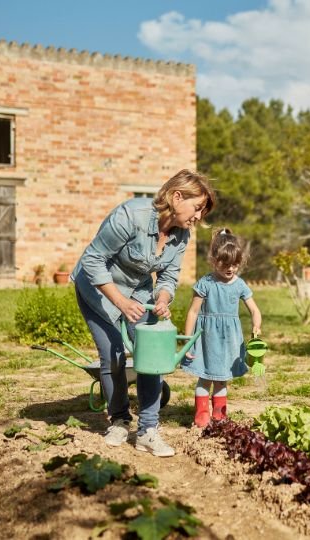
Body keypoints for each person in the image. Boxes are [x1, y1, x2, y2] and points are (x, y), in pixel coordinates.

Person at [71, 169, 215, 457]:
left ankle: (148, 430)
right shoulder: (131, 215)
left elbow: (169, 276)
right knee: (112, 353)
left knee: (152, 352)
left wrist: (162, 298)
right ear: (177, 197)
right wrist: (120, 302)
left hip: (137, 290)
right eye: (197, 207)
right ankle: (119, 420)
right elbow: (93, 260)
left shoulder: (181, 235)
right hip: (98, 287)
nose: (199, 217)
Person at [182, 228, 262, 428]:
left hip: (229, 340)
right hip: (206, 338)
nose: (230, 268)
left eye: (235, 264)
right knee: (205, 377)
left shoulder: (239, 285)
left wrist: (256, 325)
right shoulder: (206, 283)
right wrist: (188, 340)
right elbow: (193, 312)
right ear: (213, 259)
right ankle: (202, 414)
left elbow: (254, 310)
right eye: (225, 264)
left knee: (221, 379)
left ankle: (219, 414)